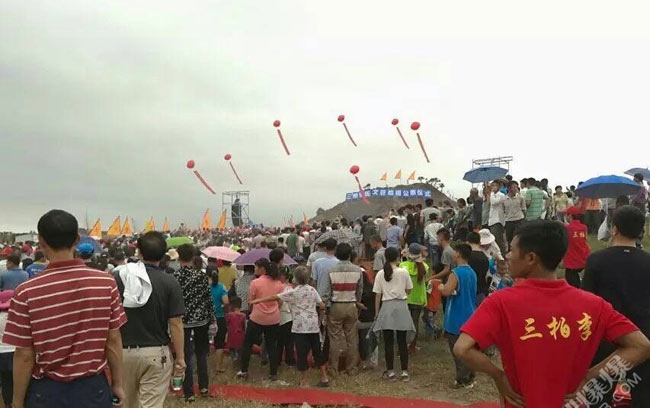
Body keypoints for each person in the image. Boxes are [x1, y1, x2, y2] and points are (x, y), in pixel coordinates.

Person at [453, 220, 650, 408]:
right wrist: (590, 376)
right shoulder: (595, 305)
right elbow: (641, 346)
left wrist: (498, 375)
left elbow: (462, 348)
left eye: (512, 249)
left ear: (531, 258)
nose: (508, 256)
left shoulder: (501, 302)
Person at [4, 210, 127, 408]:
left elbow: (24, 355)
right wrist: (118, 384)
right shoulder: (105, 283)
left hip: (46, 392)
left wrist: (17, 402)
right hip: (93, 388)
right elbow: (113, 339)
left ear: (41, 241)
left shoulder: (26, 292)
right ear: (77, 239)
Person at [584, 205, 650, 406]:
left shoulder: (596, 260)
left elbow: (587, 302)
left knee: (597, 397)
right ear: (641, 231)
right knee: (643, 397)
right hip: (643, 338)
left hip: (606, 339)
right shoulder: (647, 261)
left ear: (614, 229)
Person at [114, 231, 185, 408]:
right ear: (164, 254)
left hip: (123, 352)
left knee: (126, 403)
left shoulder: (120, 278)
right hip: (156, 352)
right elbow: (175, 324)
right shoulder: (169, 282)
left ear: (139, 251)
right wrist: (180, 357)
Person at [251, 266, 330, 387]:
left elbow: (274, 297)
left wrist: (256, 301)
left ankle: (304, 380)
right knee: (317, 351)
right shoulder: (312, 290)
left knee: (301, 353)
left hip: (299, 327)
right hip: (313, 326)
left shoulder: (293, 292)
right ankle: (324, 377)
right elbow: (322, 304)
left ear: (295, 278)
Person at [173, 244, 214, 402]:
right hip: (201, 320)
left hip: (181, 322)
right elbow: (208, 299)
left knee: (185, 356)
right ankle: (204, 386)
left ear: (179, 256)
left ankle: (188, 392)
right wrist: (212, 319)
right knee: (201, 354)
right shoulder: (201, 276)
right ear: (193, 256)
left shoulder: (175, 277)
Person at [437, 243, 477, 389]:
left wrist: (441, 287)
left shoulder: (455, 273)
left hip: (457, 314)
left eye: (455, 252)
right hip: (470, 313)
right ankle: (471, 375)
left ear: (458, 254)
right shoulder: (472, 272)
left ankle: (463, 379)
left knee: (457, 349)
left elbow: (447, 291)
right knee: (469, 348)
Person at [237, 258, 284, 381]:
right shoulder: (279, 284)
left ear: (262, 269)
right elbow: (280, 301)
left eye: (256, 267)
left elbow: (250, 301)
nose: (255, 269)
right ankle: (273, 373)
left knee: (248, 344)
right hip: (273, 318)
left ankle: (244, 370)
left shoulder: (255, 283)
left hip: (257, 317)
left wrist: (253, 311)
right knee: (272, 345)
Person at [373, 247, 415, 382]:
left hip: (387, 306)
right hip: (401, 305)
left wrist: (377, 312)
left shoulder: (381, 273)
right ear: (397, 257)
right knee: (402, 341)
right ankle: (404, 371)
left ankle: (390, 371)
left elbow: (378, 295)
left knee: (388, 341)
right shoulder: (404, 272)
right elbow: (409, 289)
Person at [322, 243, 364, 374]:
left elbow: (327, 292)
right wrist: (357, 302)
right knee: (352, 338)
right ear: (350, 254)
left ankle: (333, 368)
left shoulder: (331, 270)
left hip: (336, 305)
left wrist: (326, 306)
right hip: (351, 305)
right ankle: (351, 367)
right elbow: (360, 290)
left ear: (337, 254)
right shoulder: (357, 270)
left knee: (335, 338)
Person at [400, 243, 429, 352]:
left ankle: (403, 344)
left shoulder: (403, 266)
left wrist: (403, 256)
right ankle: (412, 346)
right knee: (415, 322)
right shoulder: (424, 267)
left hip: (406, 297)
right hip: (418, 298)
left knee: (404, 322)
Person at [563, 206, 590, 288]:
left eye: (566, 215)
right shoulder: (584, 227)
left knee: (571, 280)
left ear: (570, 215)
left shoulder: (567, 228)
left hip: (572, 259)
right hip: (583, 256)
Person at [211, 267, 230, 373]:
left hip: (205, 318)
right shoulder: (221, 287)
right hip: (219, 317)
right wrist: (224, 310)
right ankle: (218, 367)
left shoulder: (203, 287)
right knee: (219, 343)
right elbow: (226, 302)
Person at [466, 232, 490, 305]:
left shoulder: (466, 257)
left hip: (468, 291)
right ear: (479, 243)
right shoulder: (485, 257)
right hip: (481, 291)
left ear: (467, 242)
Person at [0, 290, 14, 407]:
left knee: (5, 382)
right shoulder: (17, 317)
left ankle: (7, 404)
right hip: (16, 353)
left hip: (1, 353)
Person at [503, 181, 525, 251]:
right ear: (508, 188)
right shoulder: (504, 199)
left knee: (519, 238)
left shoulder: (520, 198)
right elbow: (503, 210)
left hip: (519, 220)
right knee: (510, 239)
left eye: (516, 187)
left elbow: (523, 209)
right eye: (514, 187)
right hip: (509, 221)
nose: (516, 189)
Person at [487, 180, 507, 256]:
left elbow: (494, 202)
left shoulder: (501, 195)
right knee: (493, 240)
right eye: (492, 185)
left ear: (499, 186)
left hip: (498, 220)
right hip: (492, 219)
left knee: (498, 240)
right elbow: (489, 203)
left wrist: (490, 194)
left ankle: (502, 255)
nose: (493, 187)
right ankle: (496, 256)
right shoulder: (491, 195)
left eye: (495, 185)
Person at [225, 297, 246, 363]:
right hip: (240, 335)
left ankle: (234, 358)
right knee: (240, 349)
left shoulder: (229, 315)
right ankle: (239, 359)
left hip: (231, 335)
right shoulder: (243, 315)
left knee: (232, 349)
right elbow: (244, 326)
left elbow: (226, 324)